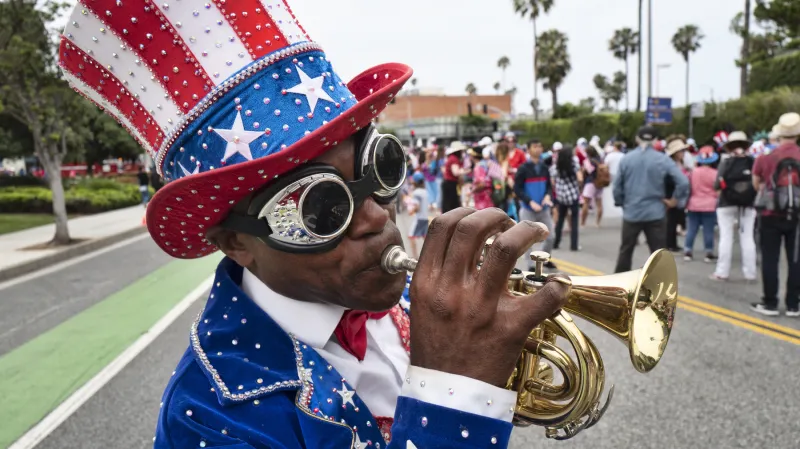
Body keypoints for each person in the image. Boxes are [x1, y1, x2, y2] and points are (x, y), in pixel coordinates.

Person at [61, 3, 574, 447]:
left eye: (380, 169)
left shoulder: (401, 295)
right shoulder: (206, 418)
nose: (376, 217)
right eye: (320, 207)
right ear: (237, 242)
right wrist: (453, 395)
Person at [613, 126, 689, 273]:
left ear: (637, 139)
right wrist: (674, 200)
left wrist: (622, 203)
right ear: (655, 141)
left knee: (626, 250)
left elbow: (617, 187)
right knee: (658, 253)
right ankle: (661, 283)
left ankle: (620, 282)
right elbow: (683, 182)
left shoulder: (626, 159)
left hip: (632, 211)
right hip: (655, 212)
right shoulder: (662, 159)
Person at [752, 112, 800, 317]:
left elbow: (756, 185)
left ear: (779, 134)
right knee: (796, 259)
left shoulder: (765, 158)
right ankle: (793, 304)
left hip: (770, 213)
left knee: (770, 258)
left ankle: (770, 302)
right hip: (797, 215)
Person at [713, 132, 758, 282]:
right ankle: (750, 273)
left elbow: (717, 185)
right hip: (748, 204)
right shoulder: (752, 162)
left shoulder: (726, 162)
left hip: (726, 203)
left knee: (726, 237)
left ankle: (722, 272)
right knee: (748, 237)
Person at [514, 139, 556, 270]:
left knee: (551, 236)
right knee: (528, 239)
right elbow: (517, 189)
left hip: (543, 208)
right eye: (535, 146)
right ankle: (531, 265)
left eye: (540, 146)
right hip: (528, 209)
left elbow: (549, 186)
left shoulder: (544, 167)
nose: (538, 149)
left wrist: (548, 195)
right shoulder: (523, 168)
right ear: (528, 150)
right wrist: (529, 201)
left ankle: (544, 258)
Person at [683, 147, 719, 262]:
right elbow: (718, 189)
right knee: (708, 230)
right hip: (710, 204)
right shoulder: (716, 173)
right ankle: (708, 252)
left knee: (691, 229)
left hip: (693, 203)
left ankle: (688, 251)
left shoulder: (693, 172)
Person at [550, 145, 583, 251]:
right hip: (573, 195)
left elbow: (552, 181)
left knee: (560, 220)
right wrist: (578, 187)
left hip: (561, 196)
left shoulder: (556, 166)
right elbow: (580, 178)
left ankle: (556, 243)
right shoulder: (574, 164)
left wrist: (557, 187)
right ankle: (574, 245)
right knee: (574, 220)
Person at [664, 138, 691, 252]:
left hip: (678, 194)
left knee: (674, 220)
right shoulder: (670, 165)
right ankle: (669, 243)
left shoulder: (679, 164)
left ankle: (672, 243)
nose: (683, 153)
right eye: (681, 151)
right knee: (671, 220)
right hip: (671, 194)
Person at [580, 145, 607, 227]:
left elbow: (589, 171)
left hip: (590, 182)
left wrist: (583, 169)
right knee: (599, 203)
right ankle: (597, 223)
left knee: (586, 203)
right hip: (600, 183)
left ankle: (583, 222)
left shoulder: (588, 161)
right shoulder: (600, 160)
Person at [407, 172, 429, 258]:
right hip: (425, 218)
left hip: (419, 219)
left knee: (411, 236)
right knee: (425, 237)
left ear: (415, 182)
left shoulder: (416, 193)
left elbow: (417, 207)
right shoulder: (425, 191)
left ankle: (415, 258)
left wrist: (411, 211)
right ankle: (428, 256)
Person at [441, 142, 467, 213]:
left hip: (449, 183)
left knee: (449, 203)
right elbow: (455, 172)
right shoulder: (454, 159)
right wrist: (465, 171)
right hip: (451, 184)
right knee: (452, 204)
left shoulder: (451, 158)